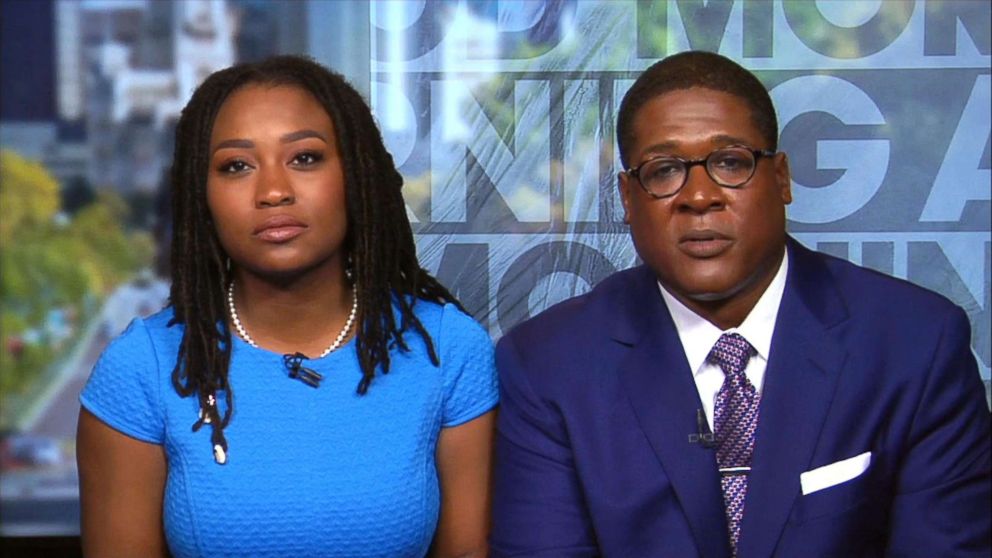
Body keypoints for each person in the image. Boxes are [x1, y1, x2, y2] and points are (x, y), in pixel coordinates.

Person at [490, 50, 991, 557]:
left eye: (730, 162)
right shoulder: (549, 366)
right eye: (664, 171)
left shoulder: (915, 343)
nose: (700, 196)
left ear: (781, 179)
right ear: (626, 196)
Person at [77, 55, 498, 558]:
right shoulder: (140, 368)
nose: (273, 191)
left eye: (305, 158)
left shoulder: (449, 351)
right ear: (201, 196)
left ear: (356, 175)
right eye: (236, 166)